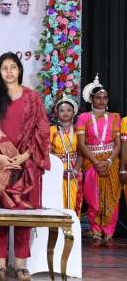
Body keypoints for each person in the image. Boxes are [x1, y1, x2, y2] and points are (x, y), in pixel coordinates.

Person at [0, 52, 50, 281]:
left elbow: (42, 131)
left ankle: (21, 263)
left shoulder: (33, 98)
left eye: (13, 67)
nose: (9, 72)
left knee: (23, 212)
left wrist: (25, 156)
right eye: (4, 68)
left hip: (25, 164)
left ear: (19, 70)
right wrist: (0, 156)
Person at [76, 75, 121, 245]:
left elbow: (118, 144)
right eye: (98, 98)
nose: (102, 101)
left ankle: (108, 232)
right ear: (91, 99)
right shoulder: (84, 117)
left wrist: (108, 161)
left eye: (105, 98)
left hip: (111, 161)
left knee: (112, 198)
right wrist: (96, 162)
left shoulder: (115, 117)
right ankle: (95, 231)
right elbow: (81, 144)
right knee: (93, 198)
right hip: (91, 161)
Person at [50, 96, 82, 215]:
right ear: (57, 113)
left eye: (69, 110)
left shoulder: (79, 130)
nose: (65, 113)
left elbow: (81, 153)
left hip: (75, 170)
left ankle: (73, 225)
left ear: (74, 112)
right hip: (57, 169)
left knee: (74, 203)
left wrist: (75, 171)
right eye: (62, 110)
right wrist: (58, 169)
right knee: (58, 202)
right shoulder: (52, 130)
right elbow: (48, 153)